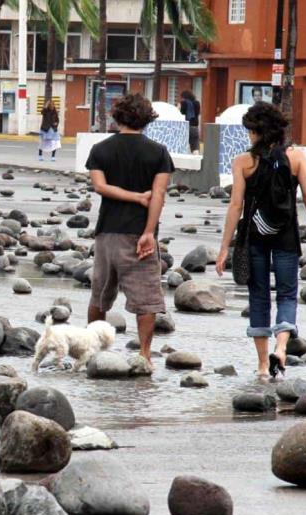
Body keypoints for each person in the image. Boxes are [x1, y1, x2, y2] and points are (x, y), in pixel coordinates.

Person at [216, 102, 306, 377]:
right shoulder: (295, 158)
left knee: (258, 296)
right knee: (286, 294)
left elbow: (236, 206)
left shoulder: (243, 162)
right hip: (286, 236)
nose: (248, 135)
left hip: (254, 237)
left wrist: (225, 247)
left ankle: (262, 366)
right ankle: (281, 348)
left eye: (250, 131)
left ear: (258, 131)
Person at [86, 93, 175, 370]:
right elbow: (158, 195)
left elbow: (100, 187)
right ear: (147, 119)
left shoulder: (101, 150)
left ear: (117, 117)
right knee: (146, 299)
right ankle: (145, 355)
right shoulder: (158, 152)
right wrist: (149, 231)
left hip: (107, 232)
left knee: (100, 294)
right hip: (140, 233)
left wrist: (133, 197)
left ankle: (93, 350)